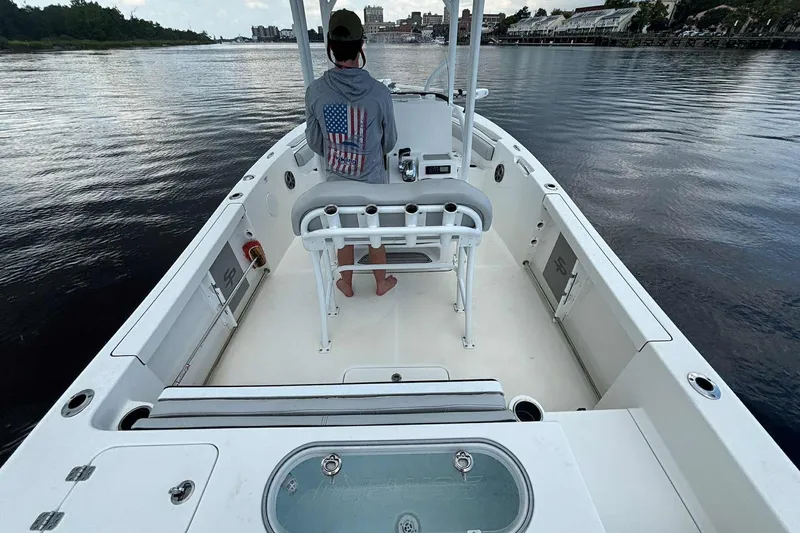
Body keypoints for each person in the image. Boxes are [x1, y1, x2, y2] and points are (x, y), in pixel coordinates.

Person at [305, 9, 399, 297]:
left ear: (330, 47)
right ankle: (381, 282)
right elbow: (390, 142)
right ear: (362, 46)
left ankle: (346, 283)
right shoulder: (380, 93)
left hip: (337, 186)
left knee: (341, 234)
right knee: (375, 234)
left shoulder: (316, 92)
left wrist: (340, 156)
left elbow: (314, 142)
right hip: (373, 185)